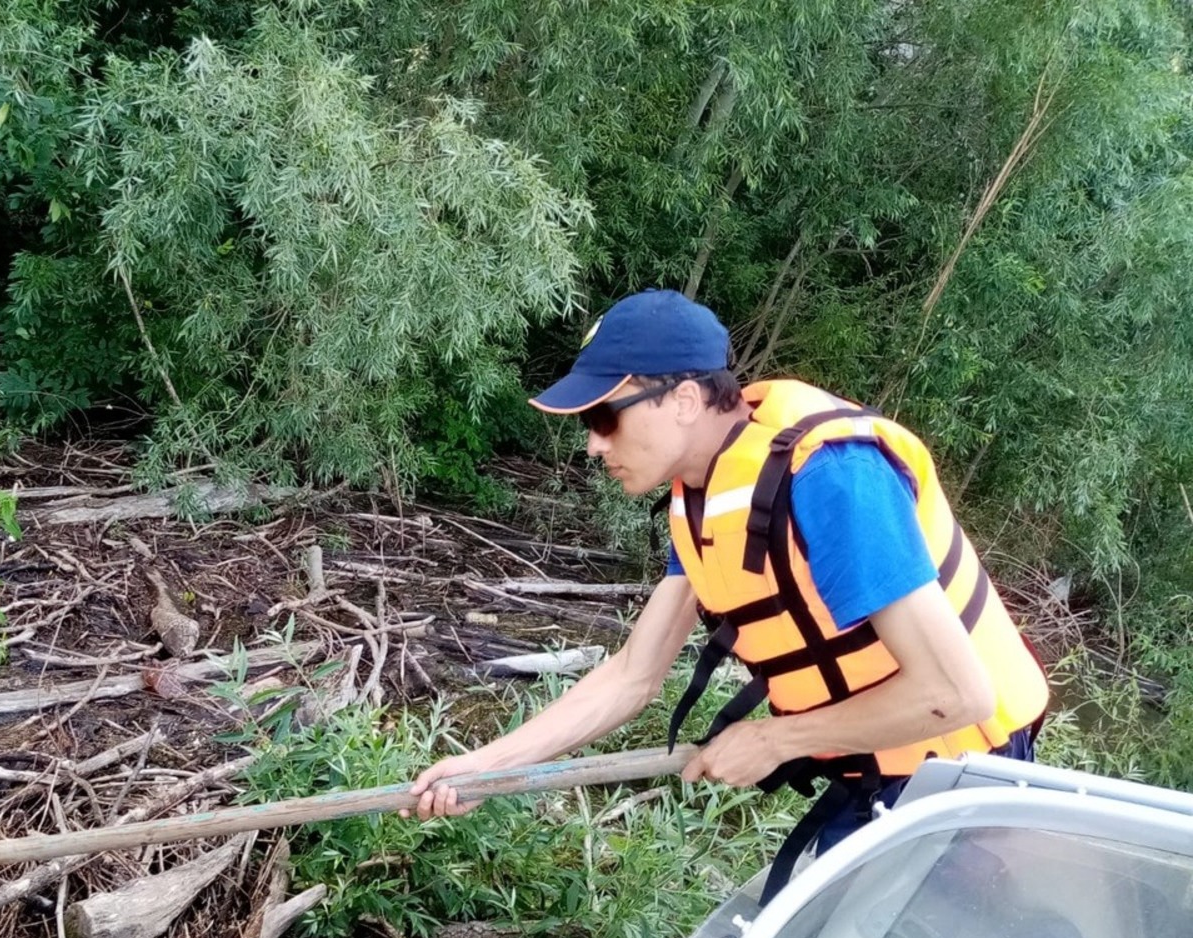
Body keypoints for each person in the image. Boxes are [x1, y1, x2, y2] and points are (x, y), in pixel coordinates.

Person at [407, 289, 1048, 898]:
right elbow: (632, 677)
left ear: (684, 399)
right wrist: (490, 764)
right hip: (872, 771)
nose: (594, 443)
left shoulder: (833, 479)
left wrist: (775, 741)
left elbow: (954, 695)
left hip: (954, 775)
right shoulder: (704, 495)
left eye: (605, 417)